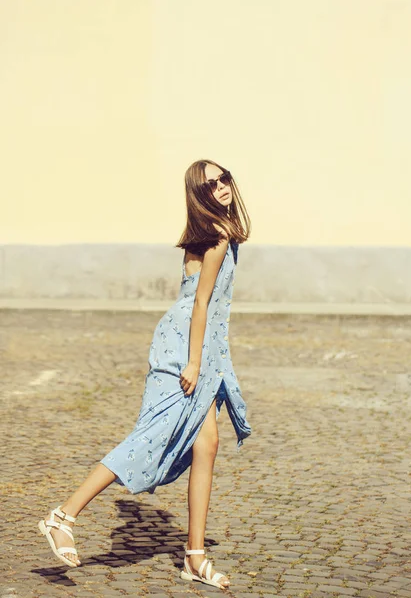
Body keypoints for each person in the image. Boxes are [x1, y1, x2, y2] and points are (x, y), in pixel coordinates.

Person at [38, 159, 252, 590]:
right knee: (149, 436)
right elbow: (200, 306)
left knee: (206, 445)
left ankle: (194, 558)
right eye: (211, 184)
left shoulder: (224, 233)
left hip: (202, 349)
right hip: (184, 350)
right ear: (199, 193)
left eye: (224, 177)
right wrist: (193, 362)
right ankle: (62, 517)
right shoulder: (214, 240)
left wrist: (209, 359)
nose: (221, 186)